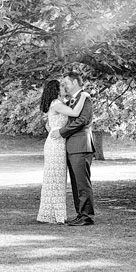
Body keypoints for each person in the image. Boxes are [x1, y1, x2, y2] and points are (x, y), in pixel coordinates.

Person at [37, 78, 90, 224]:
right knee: (55, 178)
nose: (64, 87)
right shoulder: (56, 103)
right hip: (56, 143)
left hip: (58, 142)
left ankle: (53, 213)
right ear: (55, 90)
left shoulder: (58, 103)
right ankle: (54, 214)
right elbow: (74, 112)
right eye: (61, 86)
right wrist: (84, 96)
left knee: (57, 179)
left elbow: (52, 122)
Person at [59, 73, 95, 226]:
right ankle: (80, 214)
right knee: (75, 184)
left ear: (74, 82)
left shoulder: (85, 98)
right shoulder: (71, 100)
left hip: (81, 146)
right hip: (72, 147)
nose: (64, 85)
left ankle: (87, 217)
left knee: (82, 183)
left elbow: (82, 120)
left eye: (66, 82)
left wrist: (62, 132)